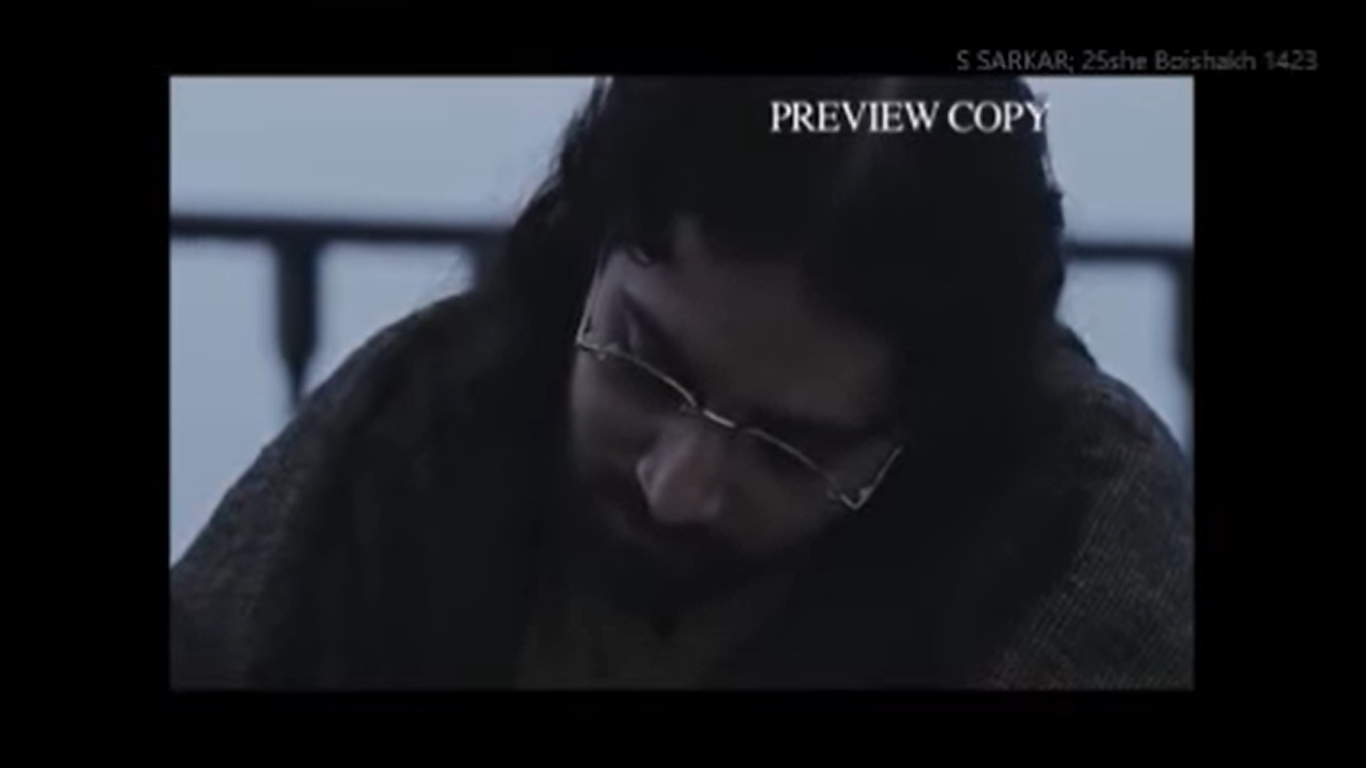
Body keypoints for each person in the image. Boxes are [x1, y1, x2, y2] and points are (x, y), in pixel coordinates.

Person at [169, 76, 1194, 689]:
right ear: (590, 249)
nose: (676, 485)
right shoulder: (413, 431)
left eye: (787, 448)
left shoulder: (1078, 563)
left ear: (918, 439)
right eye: (645, 366)